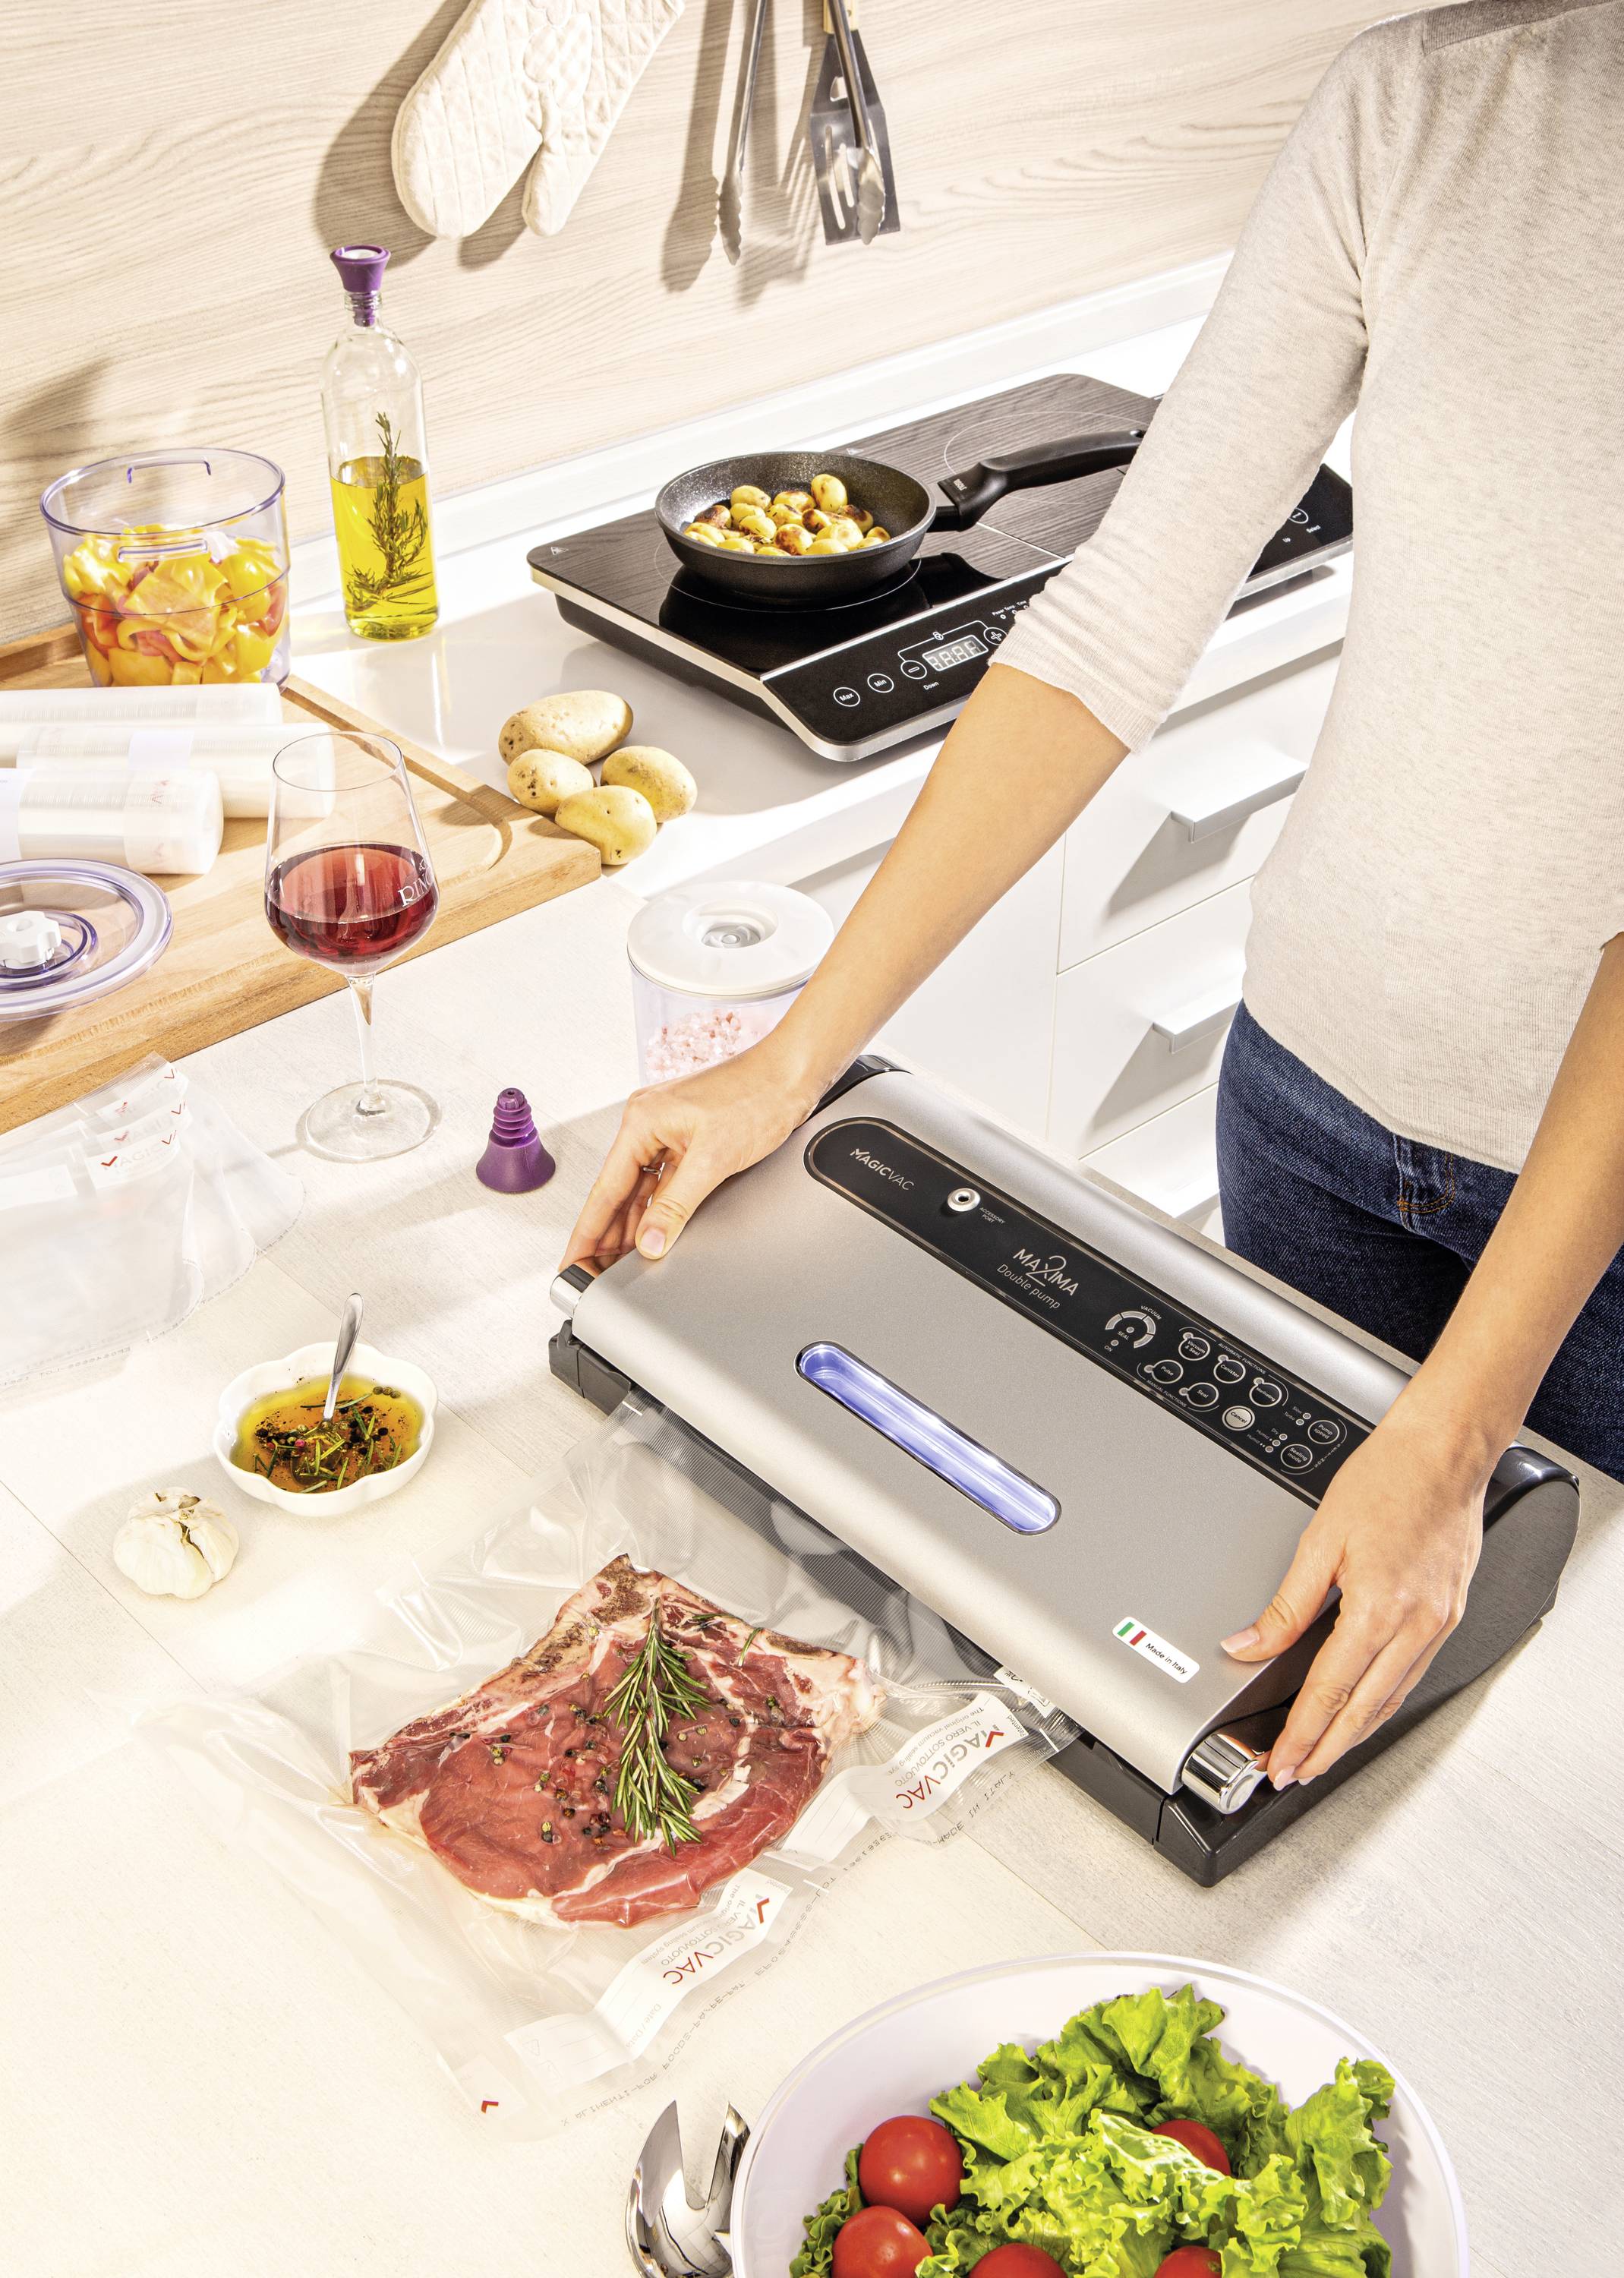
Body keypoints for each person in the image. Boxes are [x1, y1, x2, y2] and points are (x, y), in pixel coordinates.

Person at [568, 4, 1624, 1793]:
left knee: (1530, 1787)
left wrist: (1451, 1442)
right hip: (1304, 1097)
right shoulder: (1435, 103)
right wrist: (795, 1062)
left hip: (1596, 1241)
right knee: (1259, 1723)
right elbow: (1115, 616)